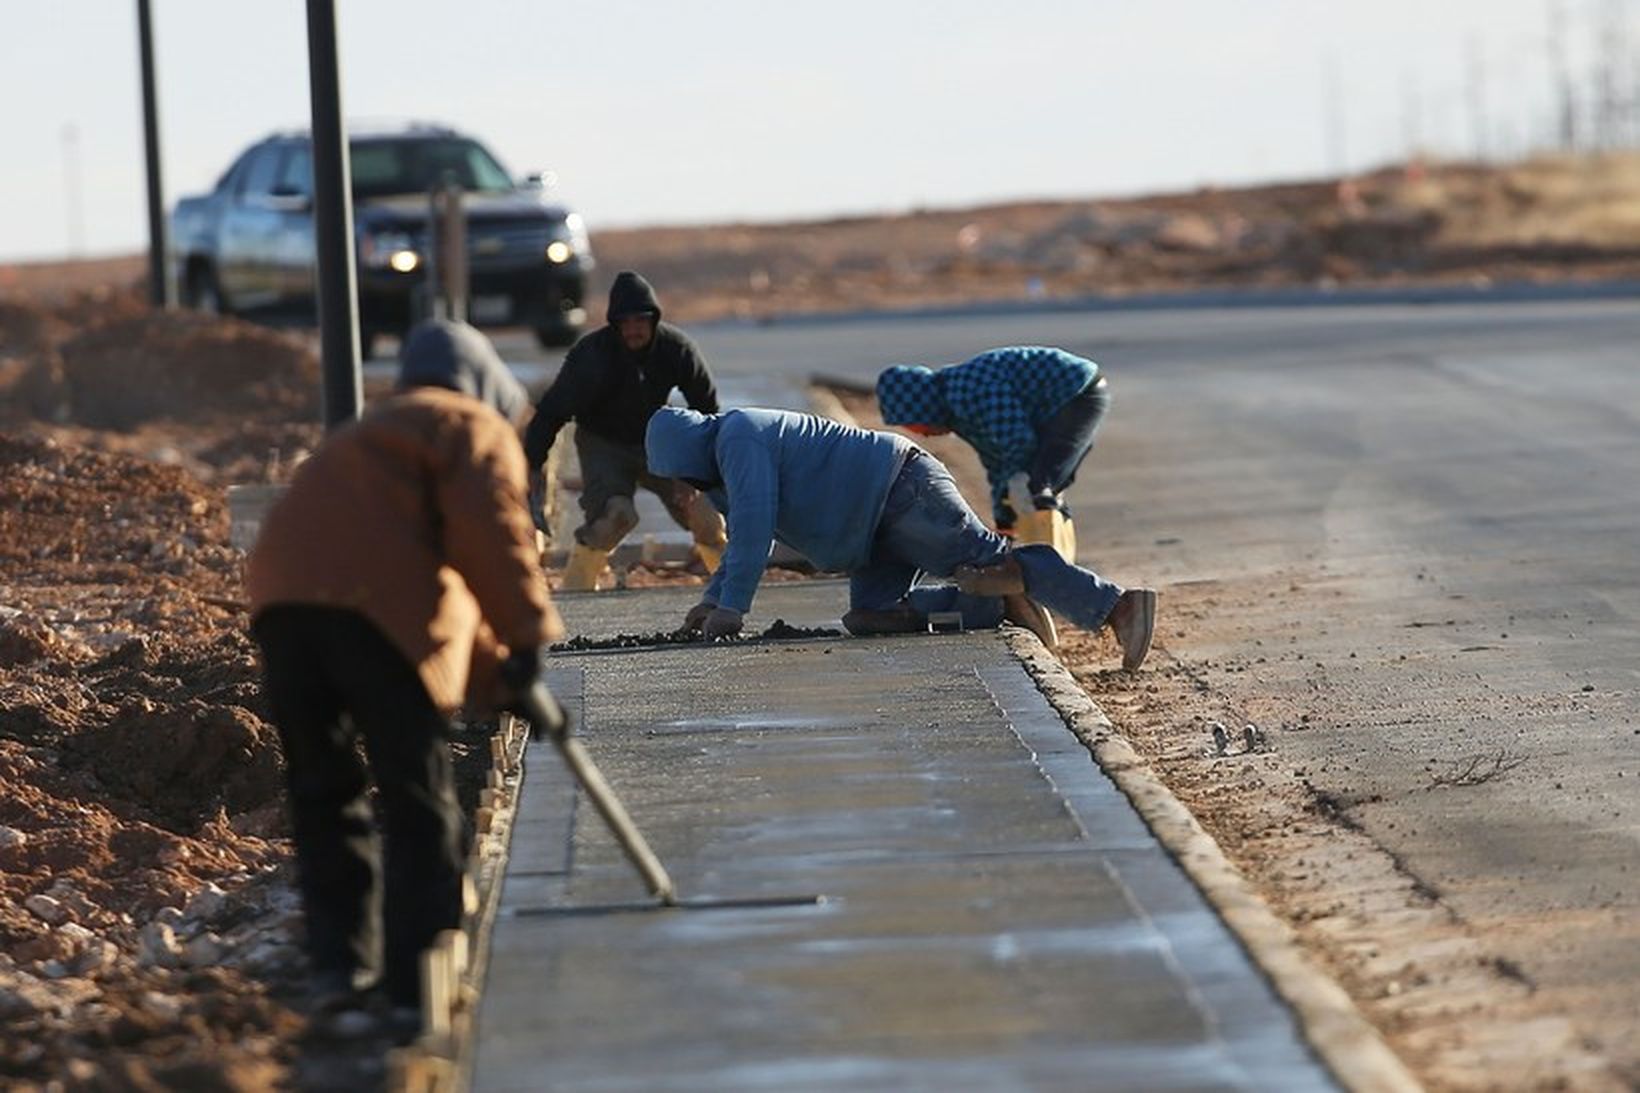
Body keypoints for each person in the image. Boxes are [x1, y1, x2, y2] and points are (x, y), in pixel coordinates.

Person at [245, 319, 563, 1027]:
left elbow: (447, 586)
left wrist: (502, 681)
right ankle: (413, 988)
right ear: (485, 385)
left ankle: (338, 965)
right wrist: (530, 638)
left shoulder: (366, 433)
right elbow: (492, 538)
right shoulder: (472, 424)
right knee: (418, 797)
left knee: (324, 791)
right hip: (373, 611)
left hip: (283, 601)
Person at [645, 406, 1155, 668]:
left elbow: (755, 527)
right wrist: (710, 600)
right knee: (869, 617)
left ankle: (1117, 607)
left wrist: (732, 607)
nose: (685, 488)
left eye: (679, 475)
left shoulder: (739, 437)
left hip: (898, 489)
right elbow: (740, 541)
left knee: (990, 561)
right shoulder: (718, 471)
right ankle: (998, 608)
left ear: (686, 455)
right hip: (867, 533)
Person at [523, 270, 726, 589]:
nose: (633, 329)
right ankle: (578, 589)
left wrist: (693, 470)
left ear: (654, 320)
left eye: (641, 321)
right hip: (604, 443)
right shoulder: (591, 355)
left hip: (660, 440)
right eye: (625, 322)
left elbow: (708, 411)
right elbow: (551, 412)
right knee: (615, 516)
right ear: (614, 324)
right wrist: (532, 464)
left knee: (706, 517)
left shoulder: (677, 349)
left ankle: (730, 584)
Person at [875, 347, 1110, 559]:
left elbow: (1018, 442)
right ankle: (1052, 563)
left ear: (922, 405)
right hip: (1052, 407)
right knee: (1035, 484)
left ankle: (1055, 571)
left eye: (914, 424)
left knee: (1037, 486)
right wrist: (1004, 521)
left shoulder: (967, 391)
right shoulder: (956, 412)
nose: (921, 434)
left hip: (1076, 393)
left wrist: (1013, 493)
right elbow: (996, 462)